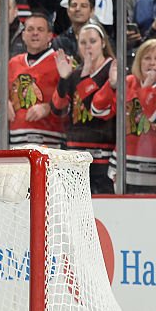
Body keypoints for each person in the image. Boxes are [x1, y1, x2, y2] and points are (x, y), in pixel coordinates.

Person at [52, 23, 115, 194]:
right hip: (75, 155)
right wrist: (64, 79)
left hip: (103, 156)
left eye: (92, 41)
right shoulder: (74, 74)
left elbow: (102, 111)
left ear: (103, 43)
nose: (88, 47)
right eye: (82, 42)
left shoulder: (113, 71)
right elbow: (57, 109)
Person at [93, 39, 156, 192]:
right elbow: (98, 110)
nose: (152, 63)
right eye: (147, 58)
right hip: (122, 168)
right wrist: (112, 85)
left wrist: (146, 89)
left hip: (152, 171)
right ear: (139, 61)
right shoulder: (128, 82)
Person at [6, 12, 63, 149]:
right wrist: (2, 102)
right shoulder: (13, 63)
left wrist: (49, 107)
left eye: (40, 30)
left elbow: (68, 98)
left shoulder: (61, 61)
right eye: (30, 29)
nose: (35, 33)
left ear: (50, 36)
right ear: (23, 35)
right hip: (16, 140)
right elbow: (4, 94)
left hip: (50, 141)